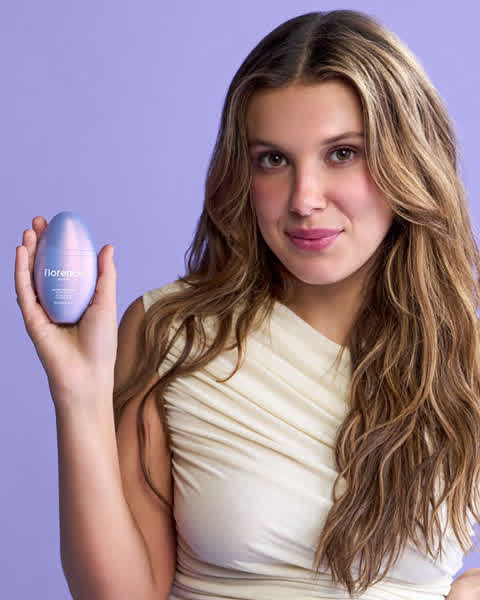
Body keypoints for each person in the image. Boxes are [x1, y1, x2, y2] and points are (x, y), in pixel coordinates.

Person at [14, 8, 480, 600]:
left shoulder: (464, 355)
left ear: (408, 159)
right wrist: (78, 394)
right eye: (274, 159)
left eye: (343, 153)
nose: (304, 199)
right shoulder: (172, 336)